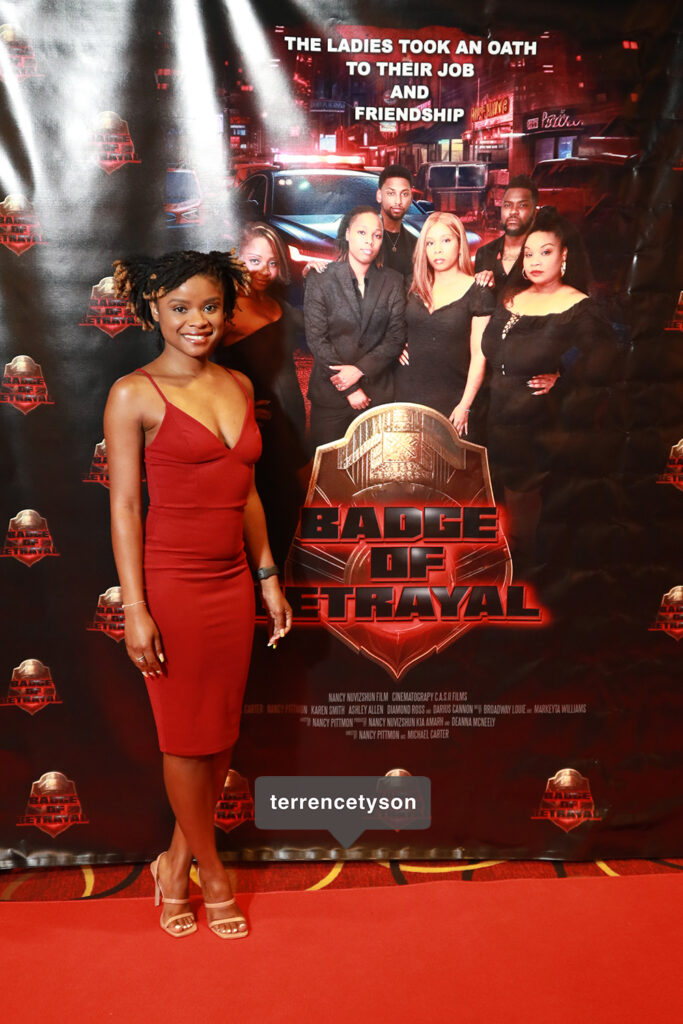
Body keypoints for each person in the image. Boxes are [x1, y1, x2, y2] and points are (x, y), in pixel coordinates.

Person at [103, 250, 292, 939]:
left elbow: (247, 494)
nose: (197, 320)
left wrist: (267, 575)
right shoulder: (134, 393)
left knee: (220, 737)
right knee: (185, 741)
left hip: (231, 582)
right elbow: (125, 507)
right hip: (172, 586)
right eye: (179, 307)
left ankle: (174, 862)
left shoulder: (238, 384)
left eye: (210, 306)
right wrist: (136, 608)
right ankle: (211, 875)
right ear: (152, 310)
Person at [479, 207, 615, 567]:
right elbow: (491, 349)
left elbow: (605, 362)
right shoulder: (512, 296)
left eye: (546, 252)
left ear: (564, 255)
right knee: (493, 506)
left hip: (533, 424)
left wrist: (563, 380)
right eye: (528, 253)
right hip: (494, 416)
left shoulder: (577, 305)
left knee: (521, 514)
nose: (535, 261)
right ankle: (500, 572)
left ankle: (523, 578)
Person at [215, 223, 308, 566]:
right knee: (265, 519)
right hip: (261, 433)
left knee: (294, 515)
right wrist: (239, 409)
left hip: (294, 427)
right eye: (254, 261)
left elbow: (320, 330)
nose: (264, 271)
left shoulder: (275, 303)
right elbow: (199, 370)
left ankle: (277, 591)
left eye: (272, 263)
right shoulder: (226, 310)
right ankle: (261, 592)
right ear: (236, 259)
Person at [304, 205, 406, 449]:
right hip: (330, 397)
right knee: (329, 468)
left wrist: (360, 370)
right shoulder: (320, 278)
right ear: (348, 234)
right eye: (362, 232)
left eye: (377, 235)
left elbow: (395, 337)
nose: (369, 241)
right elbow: (317, 340)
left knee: (376, 467)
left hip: (377, 394)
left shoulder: (393, 280)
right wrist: (349, 389)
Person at [396, 211, 494, 439]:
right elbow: (391, 325)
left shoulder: (478, 292)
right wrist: (396, 346)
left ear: (460, 245)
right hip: (408, 394)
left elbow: (479, 357)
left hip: (454, 400)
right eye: (430, 243)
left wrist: (465, 405)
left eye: (446, 240)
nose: (437, 249)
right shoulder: (412, 285)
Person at [474, 175, 538, 297]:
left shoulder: (542, 255)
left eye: (522, 205)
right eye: (508, 205)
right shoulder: (485, 253)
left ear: (534, 213)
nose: (513, 211)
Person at [376, 163, 417, 278]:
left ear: (411, 198)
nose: (398, 201)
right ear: (379, 195)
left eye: (404, 194)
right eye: (391, 193)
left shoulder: (416, 244)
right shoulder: (366, 240)